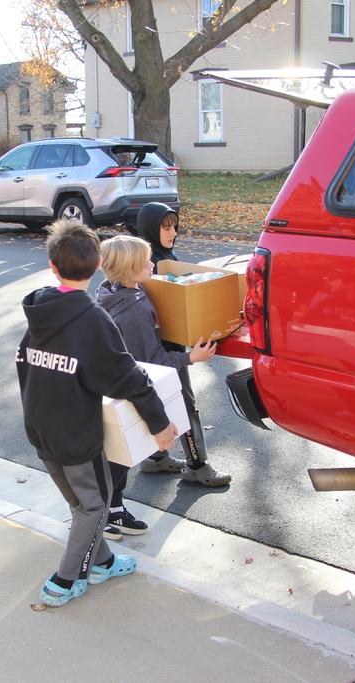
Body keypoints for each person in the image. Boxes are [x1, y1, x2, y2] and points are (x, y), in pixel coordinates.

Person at [17, 219, 178, 607]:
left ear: (53, 266)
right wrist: (160, 424)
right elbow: (127, 377)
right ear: (97, 266)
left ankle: (103, 561)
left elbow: (28, 365)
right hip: (77, 435)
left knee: (80, 502)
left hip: (41, 428)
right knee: (94, 505)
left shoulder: (40, 311)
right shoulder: (91, 320)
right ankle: (65, 580)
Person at [96, 235, 219, 539]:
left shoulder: (110, 291)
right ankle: (107, 512)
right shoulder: (135, 309)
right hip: (134, 384)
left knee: (121, 446)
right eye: (145, 262)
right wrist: (193, 357)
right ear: (127, 270)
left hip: (112, 379)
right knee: (126, 449)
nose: (152, 264)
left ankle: (109, 506)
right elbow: (152, 360)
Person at [137, 202, 233, 487]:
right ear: (151, 229)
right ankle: (197, 464)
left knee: (159, 401)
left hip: (167, 345)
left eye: (174, 226)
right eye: (166, 227)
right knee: (183, 404)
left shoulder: (157, 256)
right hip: (164, 350)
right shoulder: (147, 261)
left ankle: (154, 458)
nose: (173, 232)